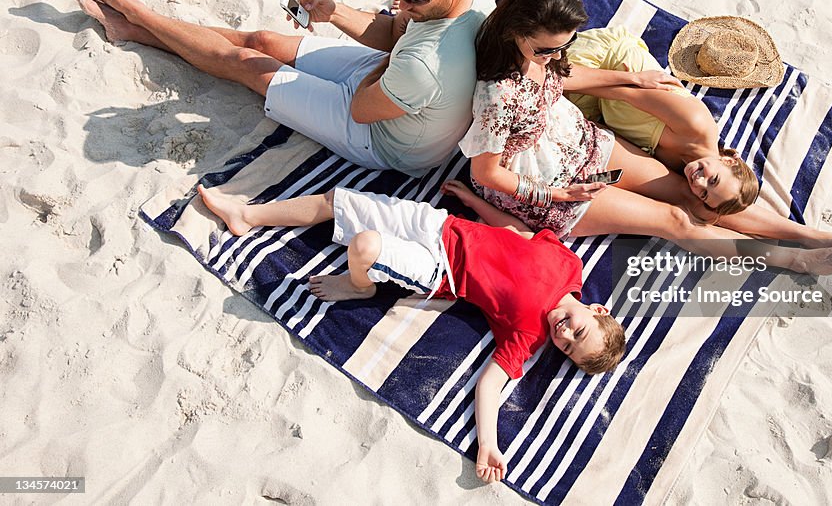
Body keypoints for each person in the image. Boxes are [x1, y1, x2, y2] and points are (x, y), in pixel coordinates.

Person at [196, 179, 626, 484]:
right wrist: (474, 205)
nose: (563, 335)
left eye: (566, 348)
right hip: (438, 226)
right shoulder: (568, 263)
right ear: (596, 308)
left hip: (438, 270)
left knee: (364, 245)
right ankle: (246, 215)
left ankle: (356, 288)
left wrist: (489, 445)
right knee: (337, 201)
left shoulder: (527, 335)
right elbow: (519, 233)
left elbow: (490, 387)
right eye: (579, 330)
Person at [460, 0, 832, 273]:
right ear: (518, 31)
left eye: (564, 45)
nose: (557, 55)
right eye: (548, 48)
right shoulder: (498, 96)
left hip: (579, 142)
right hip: (543, 186)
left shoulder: (541, 53)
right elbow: (487, 172)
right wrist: (558, 194)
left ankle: (808, 234)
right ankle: (796, 260)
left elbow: (563, 77)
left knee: (692, 198)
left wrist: (631, 77)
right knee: (675, 219)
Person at [72, 0, 496, 177]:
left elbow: (361, 108)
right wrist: (332, 12)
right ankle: (133, 31)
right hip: (393, 81)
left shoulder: (424, 64)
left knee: (245, 61)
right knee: (262, 41)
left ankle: (134, 10)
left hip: (380, 135)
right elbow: (392, 34)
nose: (402, 5)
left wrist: (394, 56)